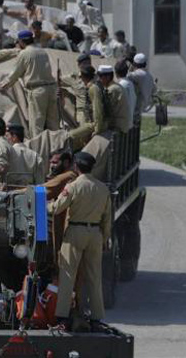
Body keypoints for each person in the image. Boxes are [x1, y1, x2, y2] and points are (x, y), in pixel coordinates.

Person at [48, 152, 111, 331]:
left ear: (76, 167)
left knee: (68, 275)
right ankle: (97, 318)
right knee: (94, 276)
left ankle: (62, 317)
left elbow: (57, 208)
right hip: (96, 233)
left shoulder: (73, 186)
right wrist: (105, 238)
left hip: (76, 231)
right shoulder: (102, 188)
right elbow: (107, 218)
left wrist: (42, 204)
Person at [0, 30, 59, 137]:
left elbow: (15, 74)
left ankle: (37, 150)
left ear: (21, 41)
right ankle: (59, 149)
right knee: (53, 123)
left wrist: (2, 85)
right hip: (51, 89)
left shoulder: (25, 54)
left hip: (37, 91)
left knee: (36, 124)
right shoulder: (43, 52)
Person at [68, 66, 108, 150]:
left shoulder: (93, 88)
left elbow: (97, 109)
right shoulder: (95, 85)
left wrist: (97, 129)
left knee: (71, 135)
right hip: (93, 120)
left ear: (84, 77)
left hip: (95, 123)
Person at [97, 65, 131, 133]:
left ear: (108, 77)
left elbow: (105, 111)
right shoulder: (116, 86)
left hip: (117, 127)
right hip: (121, 125)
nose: (99, 79)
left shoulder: (112, 89)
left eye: (100, 76)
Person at [115, 60, 136, 129]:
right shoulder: (130, 83)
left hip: (122, 123)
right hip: (129, 121)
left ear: (116, 73)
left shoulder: (120, 85)